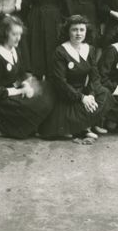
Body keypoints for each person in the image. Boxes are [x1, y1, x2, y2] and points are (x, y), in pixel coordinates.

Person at [40, 14, 111, 144]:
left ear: (86, 31)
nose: (78, 33)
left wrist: (90, 94)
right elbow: (60, 82)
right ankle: (82, 127)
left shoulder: (90, 49)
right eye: (74, 29)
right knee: (64, 119)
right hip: (66, 94)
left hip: (84, 91)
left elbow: (94, 76)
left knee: (105, 94)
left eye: (82, 30)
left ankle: (82, 126)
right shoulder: (60, 51)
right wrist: (82, 98)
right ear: (68, 31)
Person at [0, 15, 54, 139]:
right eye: (14, 34)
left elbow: (21, 74)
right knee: (35, 105)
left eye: (20, 34)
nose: (18, 38)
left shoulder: (15, 50)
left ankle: (27, 126)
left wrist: (26, 84)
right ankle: (6, 126)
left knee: (47, 91)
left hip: (14, 92)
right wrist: (20, 90)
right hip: (0, 101)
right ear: (4, 34)